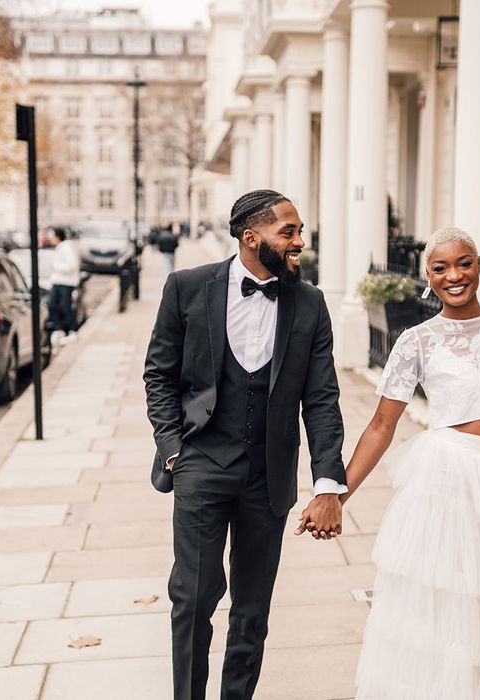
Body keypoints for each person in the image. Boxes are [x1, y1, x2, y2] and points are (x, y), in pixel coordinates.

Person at [318, 227, 480, 699]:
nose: (454, 275)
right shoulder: (416, 341)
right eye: (440, 268)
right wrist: (337, 493)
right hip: (448, 482)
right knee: (444, 613)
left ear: (479, 265)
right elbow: (381, 426)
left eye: (464, 263)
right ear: (428, 277)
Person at [143, 189, 347, 700]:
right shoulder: (187, 288)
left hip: (267, 475)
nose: (300, 241)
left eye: (300, 231)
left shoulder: (310, 302)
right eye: (290, 232)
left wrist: (328, 482)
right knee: (191, 599)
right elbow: (159, 375)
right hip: (200, 464)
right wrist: (174, 450)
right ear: (252, 237)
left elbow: (321, 399)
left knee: (253, 611)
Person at [48, 228, 80, 345]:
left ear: (57, 237)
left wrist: (56, 266)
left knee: (66, 307)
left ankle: (72, 331)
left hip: (65, 283)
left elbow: (71, 266)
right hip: (58, 281)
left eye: (52, 236)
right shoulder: (61, 248)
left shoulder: (66, 248)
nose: (50, 239)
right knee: (52, 305)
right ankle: (60, 329)